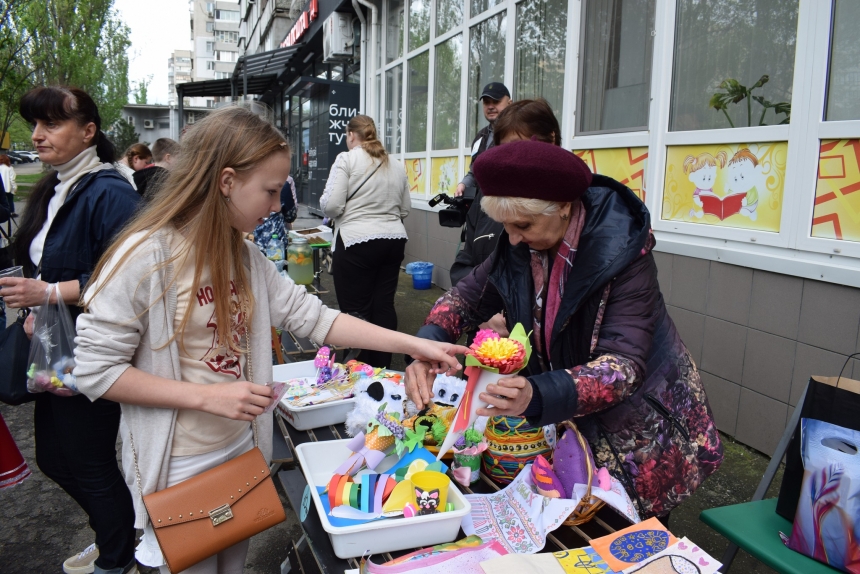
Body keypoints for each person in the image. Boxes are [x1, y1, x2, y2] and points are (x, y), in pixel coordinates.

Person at [71, 106, 466, 574]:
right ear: (227, 181)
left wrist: (414, 345)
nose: (278, 206)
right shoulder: (145, 257)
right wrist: (207, 398)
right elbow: (96, 372)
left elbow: (316, 318)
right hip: (179, 462)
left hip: (240, 449)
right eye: (271, 190)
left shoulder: (246, 256)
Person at [405, 139, 724, 520]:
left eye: (522, 225)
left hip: (640, 431)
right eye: (506, 226)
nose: (512, 238)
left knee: (626, 539)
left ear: (563, 208)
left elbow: (622, 367)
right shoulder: (520, 242)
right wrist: (428, 346)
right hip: (573, 421)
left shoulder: (623, 254)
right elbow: (466, 298)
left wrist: (537, 394)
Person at [0, 86, 140, 574]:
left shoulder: (110, 191)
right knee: (56, 461)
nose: (38, 135)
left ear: (88, 131)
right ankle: (115, 534)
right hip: (54, 349)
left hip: (93, 349)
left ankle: (118, 553)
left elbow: (130, 277)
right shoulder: (55, 184)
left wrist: (49, 293)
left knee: (89, 462)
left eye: (52, 124)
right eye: (35, 124)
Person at [320, 114, 411, 368]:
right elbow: (405, 209)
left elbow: (331, 205)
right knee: (383, 306)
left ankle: (361, 369)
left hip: (356, 243)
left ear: (351, 135)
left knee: (356, 312)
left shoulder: (346, 159)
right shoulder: (396, 163)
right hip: (393, 241)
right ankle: (383, 366)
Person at [449, 82, 511, 287]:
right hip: (481, 210)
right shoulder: (481, 136)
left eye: (496, 101)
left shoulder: (516, 133)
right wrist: (464, 184)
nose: (491, 106)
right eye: (486, 102)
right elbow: (473, 171)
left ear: (509, 102)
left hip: (506, 209)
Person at [253, 174, 298, 255]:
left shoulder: (249, 184)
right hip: (277, 249)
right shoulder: (283, 185)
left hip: (252, 245)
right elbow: (291, 216)